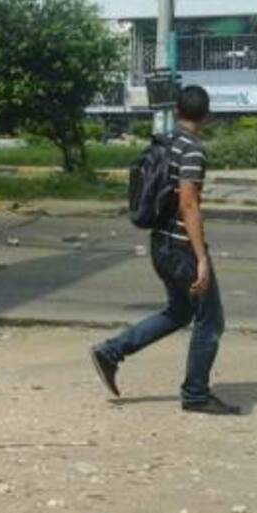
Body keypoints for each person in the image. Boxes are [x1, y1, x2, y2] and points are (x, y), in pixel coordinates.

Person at [91, 85, 238, 415]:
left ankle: (110, 352)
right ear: (207, 115)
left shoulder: (164, 142)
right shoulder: (192, 150)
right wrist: (202, 259)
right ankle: (196, 394)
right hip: (182, 247)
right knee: (210, 320)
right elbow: (188, 203)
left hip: (160, 243)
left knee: (180, 311)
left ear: (178, 111)